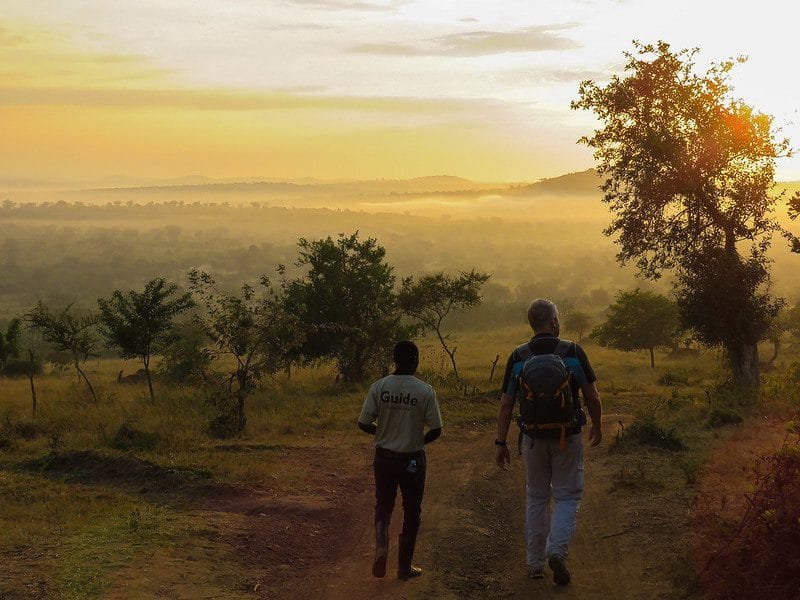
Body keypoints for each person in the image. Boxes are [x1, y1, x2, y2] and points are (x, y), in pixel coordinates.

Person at [495, 299, 602, 585]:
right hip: (568, 436)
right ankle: (556, 550)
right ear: (553, 322)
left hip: (532, 438)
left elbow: (506, 404)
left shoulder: (518, 356)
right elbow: (592, 396)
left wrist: (500, 442)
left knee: (537, 496)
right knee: (567, 496)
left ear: (532, 324)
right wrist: (598, 425)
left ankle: (534, 564)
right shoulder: (573, 351)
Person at [358, 340, 443, 580]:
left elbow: (363, 423)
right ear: (416, 361)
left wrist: (385, 434)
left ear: (394, 361)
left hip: (384, 458)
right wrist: (416, 440)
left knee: (383, 505)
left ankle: (381, 548)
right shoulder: (425, 391)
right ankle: (404, 566)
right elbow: (436, 429)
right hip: (412, 460)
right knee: (412, 511)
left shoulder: (379, 387)